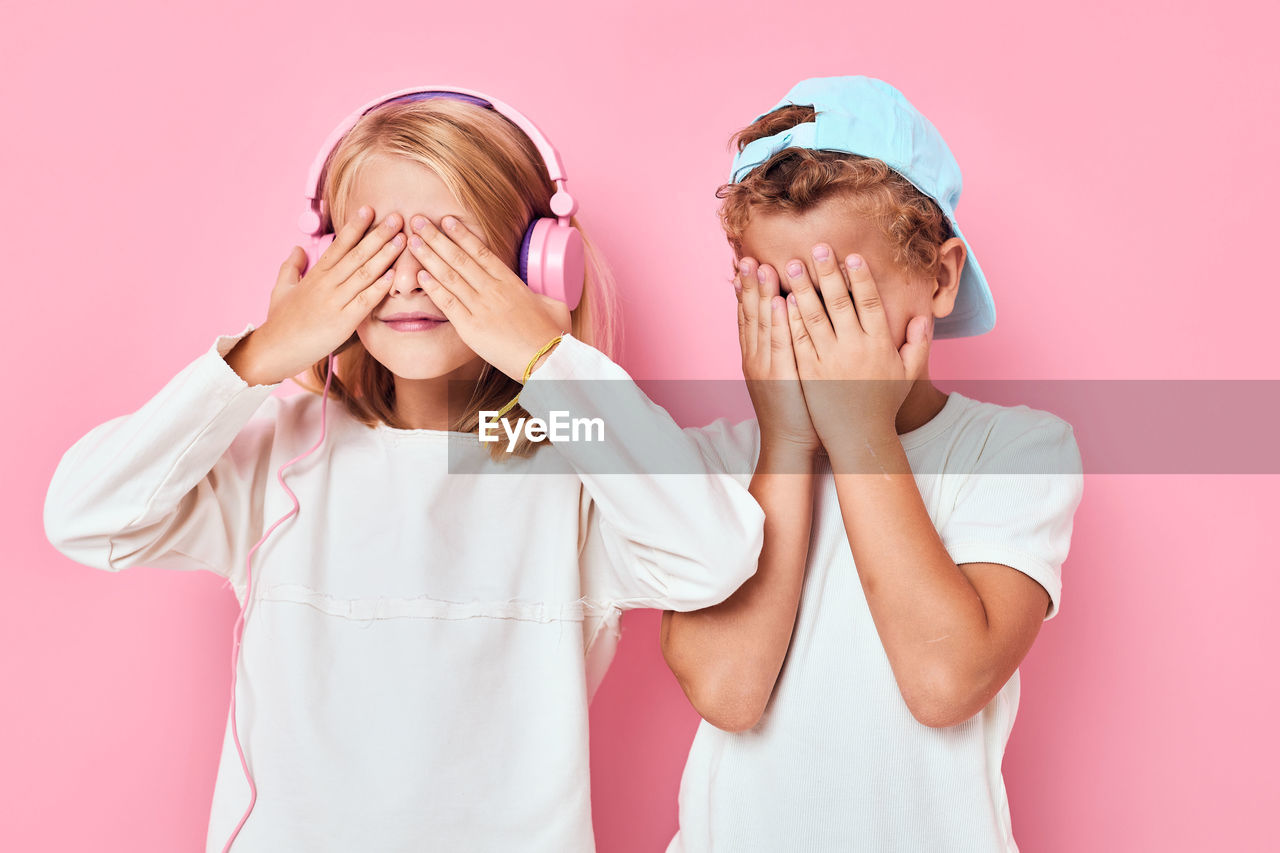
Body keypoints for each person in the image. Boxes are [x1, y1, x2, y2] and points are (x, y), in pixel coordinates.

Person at [43, 87, 764, 853]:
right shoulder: (277, 456)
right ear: (322, 266)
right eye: (375, 248)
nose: (411, 281)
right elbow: (84, 516)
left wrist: (548, 362)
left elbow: (711, 556)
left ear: (542, 269)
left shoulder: (576, 461)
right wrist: (257, 357)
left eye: (452, 249)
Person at [664, 76, 1085, 852]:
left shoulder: (1017, 451)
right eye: (780, 295)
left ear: (941, 275)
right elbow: (726, 690)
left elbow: (947, 682)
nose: (811, 330)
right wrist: (788, 444)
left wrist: (860, 437)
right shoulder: (716, 464)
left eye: (839, 294)